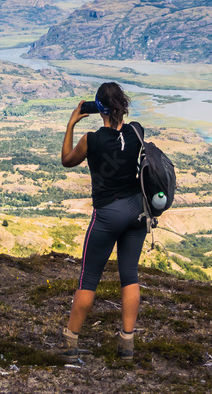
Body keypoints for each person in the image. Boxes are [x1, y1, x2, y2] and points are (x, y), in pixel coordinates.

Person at [59, 82, 147, 362]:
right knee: (129, 275)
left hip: (107, 215)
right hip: (136, 212)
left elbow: (66, 160)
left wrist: (72, 123)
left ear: (99, 109)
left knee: (88, 279)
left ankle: (70, 344)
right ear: (123, 105)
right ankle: (127, 344)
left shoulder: (91, 139)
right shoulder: (137, 131)